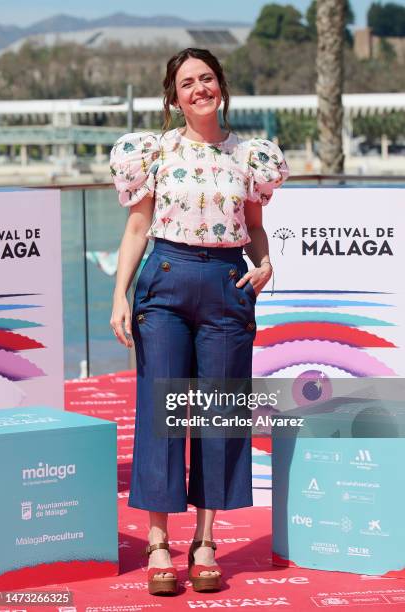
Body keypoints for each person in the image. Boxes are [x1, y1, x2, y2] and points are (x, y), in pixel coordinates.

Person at [109, 47, 289, 596]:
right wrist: (119, 295)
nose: (198, 90)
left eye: (205, 78)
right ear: (174, 95)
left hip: (227, 289)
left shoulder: (249, 156)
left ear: (221, 86)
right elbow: (138, 228)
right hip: (165, 281)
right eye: (186, 83)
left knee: (219, 413)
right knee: (162, 410)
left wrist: (264, 263)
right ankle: (159, 541)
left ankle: (206, 540)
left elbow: (254, 227)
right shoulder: (154, 152)